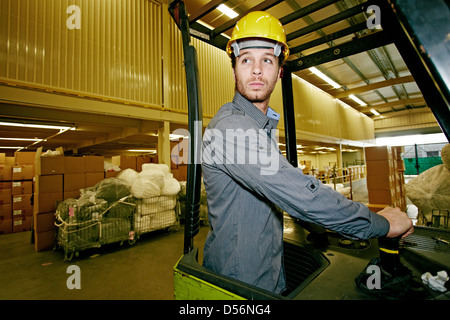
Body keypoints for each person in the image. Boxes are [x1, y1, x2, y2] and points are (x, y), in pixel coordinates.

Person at [201, 11, 413, 295]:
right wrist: (380, 224)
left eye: (266, 60)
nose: (255, 70)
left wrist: (320, 225)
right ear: (234, 68)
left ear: (279, 71)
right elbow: (299, 193)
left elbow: (280, 191)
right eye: (246, 59)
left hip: (267, 274)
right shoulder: (231, 129)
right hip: (240, 284)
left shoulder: (259, 128)